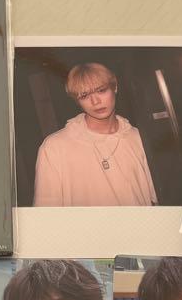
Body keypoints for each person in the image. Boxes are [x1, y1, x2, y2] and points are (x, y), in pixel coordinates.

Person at [33, 62, 157, 207]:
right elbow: (45, 213)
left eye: (101, 90)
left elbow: (154, 199)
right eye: (84, 95)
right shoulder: (54, 147)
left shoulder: (138, 137)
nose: (95, 101)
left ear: (115, 87)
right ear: (77, 101)